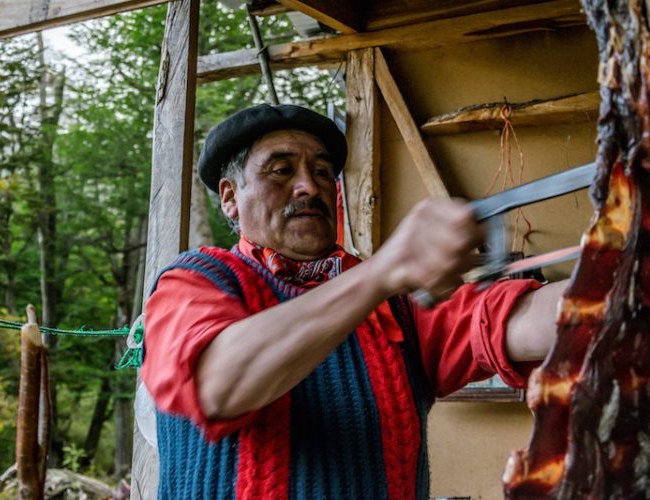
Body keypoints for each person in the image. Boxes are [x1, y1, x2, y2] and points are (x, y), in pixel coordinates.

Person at [141, 104, 563, 499]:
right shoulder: (194, 281)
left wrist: (606, 283)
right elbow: (219, 383)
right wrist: (379, 272)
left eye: (323, 172)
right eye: (282, 170)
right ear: (231, 196)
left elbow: (511, 320)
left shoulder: (394, 305)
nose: (310, 186)